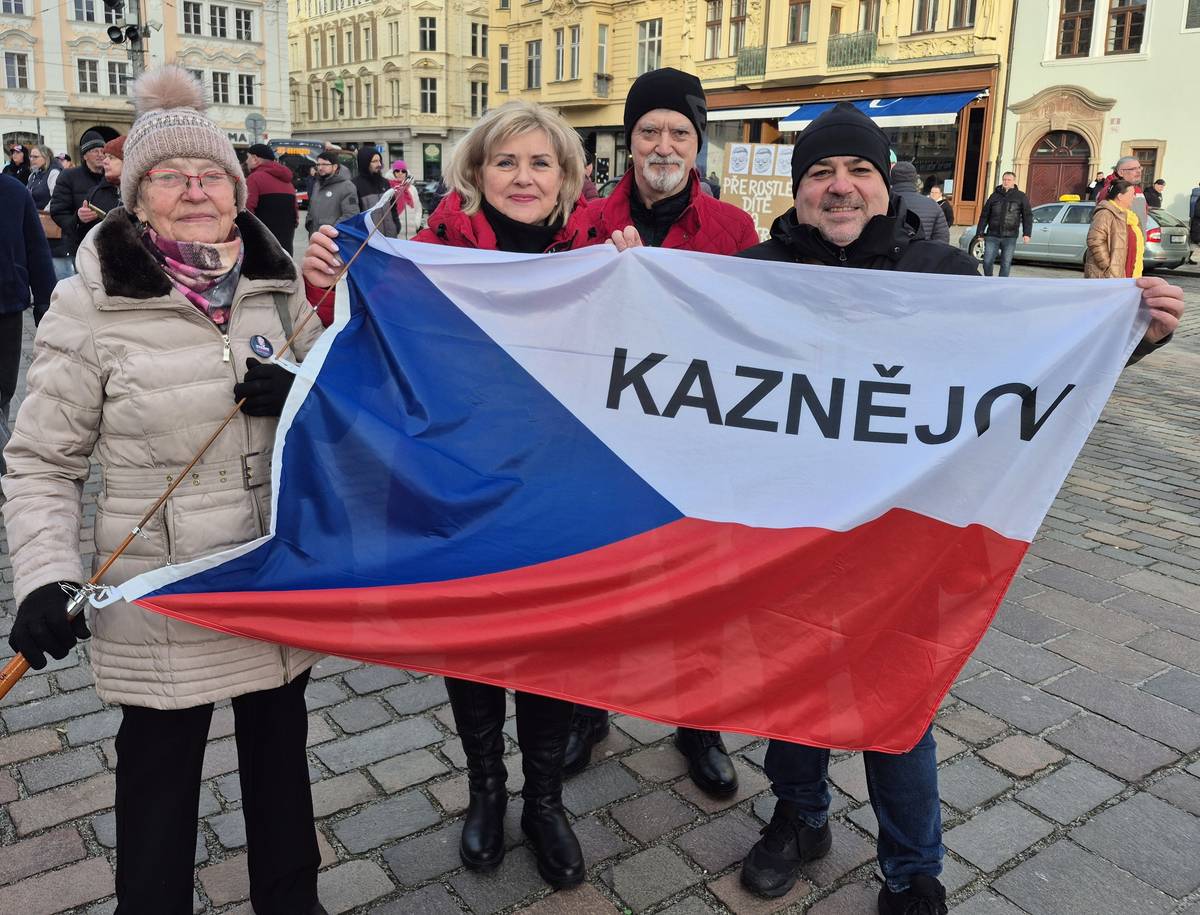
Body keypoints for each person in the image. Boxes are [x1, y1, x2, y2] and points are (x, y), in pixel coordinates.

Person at [734, 101, 1184, 915]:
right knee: (792, 687)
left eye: (858, 171)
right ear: (799, 190)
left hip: (906, 542)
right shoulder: (753, 270)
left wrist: (1130, 333)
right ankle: (799, 818)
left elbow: (1029, 377)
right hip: (790, 532)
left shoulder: (943, 274)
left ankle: (912, 869)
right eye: (821, 173)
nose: (840, 187)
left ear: (884, 183)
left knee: (896, 703)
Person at [3, 66, 328, 915]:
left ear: (235, 187)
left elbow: (336, 402)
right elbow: (42, 460)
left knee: (280, 770)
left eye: (211, 174)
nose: (195, 191)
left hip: (270, 580)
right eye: (169, 178)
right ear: (137, 199)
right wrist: (42, 572)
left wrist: (298, 390)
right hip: (163, 594)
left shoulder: (276, 280)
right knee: (158, 787)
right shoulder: (89, 304)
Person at [302, 100, 598, 889]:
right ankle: (485, 790)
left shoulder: (603, 255)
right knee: (473, 643)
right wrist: (326, 281)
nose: (524, 177)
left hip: (561, 493)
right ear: (475, 174)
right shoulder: (429, 253)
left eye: (541, 162)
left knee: (550, 650)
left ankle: (543, 800)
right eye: (506, 161)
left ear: (567, 177)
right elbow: (355, 344)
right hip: (458, 491)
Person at [568, 67, 759, 797]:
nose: (663, 143)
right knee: (594, 582)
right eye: (649, 129)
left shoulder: (732, 229)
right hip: (600, 437)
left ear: (697, 143)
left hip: (695, 440)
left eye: (679, 131)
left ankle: (699, 723)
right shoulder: (582, 219)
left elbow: (752, 332)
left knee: (698, 590)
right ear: (630, 137)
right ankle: (586, 711)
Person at [0, 172, 55, 467]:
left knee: (4, 391)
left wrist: (45, 302)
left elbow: (36, 248)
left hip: (6, 306)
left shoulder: (13, 191)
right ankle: (9, 470)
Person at [49, 130, 108, 257]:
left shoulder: (111, 176)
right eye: (94, 151)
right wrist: (78, 219)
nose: (100, 155)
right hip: (80, 245)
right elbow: (58, 211)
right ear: (85, 156)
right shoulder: (69, 176)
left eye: (102, 151)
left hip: (108, 244)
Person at [26, 144, 73, 292]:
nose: (31, 159)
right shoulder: (33, 175)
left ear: (45, 157)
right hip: (38, 225)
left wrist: (43, 214)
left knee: (60, 269)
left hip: (52, 225)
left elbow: (57, 197)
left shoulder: (53, 172)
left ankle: (66, 297)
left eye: (35, 156)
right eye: (30, 156)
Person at [244, 143, 299, 255]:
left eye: (247, 157)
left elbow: (247, 211)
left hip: (263, 245)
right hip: (285, 245)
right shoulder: (288, 182)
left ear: (255, 159)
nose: (246, 161)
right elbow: (295, 216)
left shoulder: (254, 179)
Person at [975, 171, 1032, 277]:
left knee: (1005, 264)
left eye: (1008, 180)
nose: (1006, 182)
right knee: (987, 261)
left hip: (1010, 236)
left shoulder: (1020, 196)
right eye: (1004, 179)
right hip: (992, 234)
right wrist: (980, 232)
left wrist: (1027, 233)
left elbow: (1027, 215)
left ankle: (1001, 284)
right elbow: (984, 215)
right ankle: (989, 280)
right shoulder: (994, 196)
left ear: (1014, 181)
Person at [1085, 179, 1144, 279]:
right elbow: (1095, 241)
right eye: (1132, 194)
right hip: (1107, 275)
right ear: (1120, 196)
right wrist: (1108, 266)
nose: (1134, 197)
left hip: (1126, 272)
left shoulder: (1130, 216)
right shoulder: (1105, 213)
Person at [890, 161, 948, 242]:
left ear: (891, 179)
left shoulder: (880, 203)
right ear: (915, 179)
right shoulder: (933, 205)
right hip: (924, 253)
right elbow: (942, 241)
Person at [304, 149, 358, 232]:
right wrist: (309, 223)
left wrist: (331, 231)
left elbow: (351, 215)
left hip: (334, 239)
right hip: (316, 237)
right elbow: (311, 208)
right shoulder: (317, 184)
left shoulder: (347, 186)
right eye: (318, 164)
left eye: (325, 164)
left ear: (335, 167)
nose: (320, 168)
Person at [352, 147, 396, 235]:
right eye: (374, 161)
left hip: (390, 237)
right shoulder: (354, 185)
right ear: (365, 163)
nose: (379, 164)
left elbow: (393, 207)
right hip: (369, 238)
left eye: (379, 160)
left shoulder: (385, 182)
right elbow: (355, 216)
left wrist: (396, 225)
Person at [85, 135, 124, 216]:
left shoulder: (142, 194)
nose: (104, 161)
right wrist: (80, 219)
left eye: (111, 157)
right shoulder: (94, 193)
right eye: (105, 157)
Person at [387, 160, 424, 240]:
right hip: (396, 235)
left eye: (403, 171)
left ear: (406, 173)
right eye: (397, 171)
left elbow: (418, 208)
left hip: (412, 234)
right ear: (393, 172)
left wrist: (416, 223)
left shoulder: (412, 189)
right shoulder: (389, 188)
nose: (400, 173)